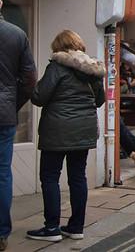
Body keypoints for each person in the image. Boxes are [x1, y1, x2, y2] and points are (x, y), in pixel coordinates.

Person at [27, 30, 105, 242]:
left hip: (57, 132)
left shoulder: (56, 67)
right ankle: (76, 227)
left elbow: (39, 97)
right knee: (78, 177)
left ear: (58, 47)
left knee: (50, 178)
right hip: (83, 131)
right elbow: (99, 100)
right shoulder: (93, 70)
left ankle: (51, 228)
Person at [0, 0, 38, 250]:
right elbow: (29, 80)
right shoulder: (16, 34)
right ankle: (1, 233)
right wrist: (12, 105)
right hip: (3, 116)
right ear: (0, 3)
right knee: (2, 172)